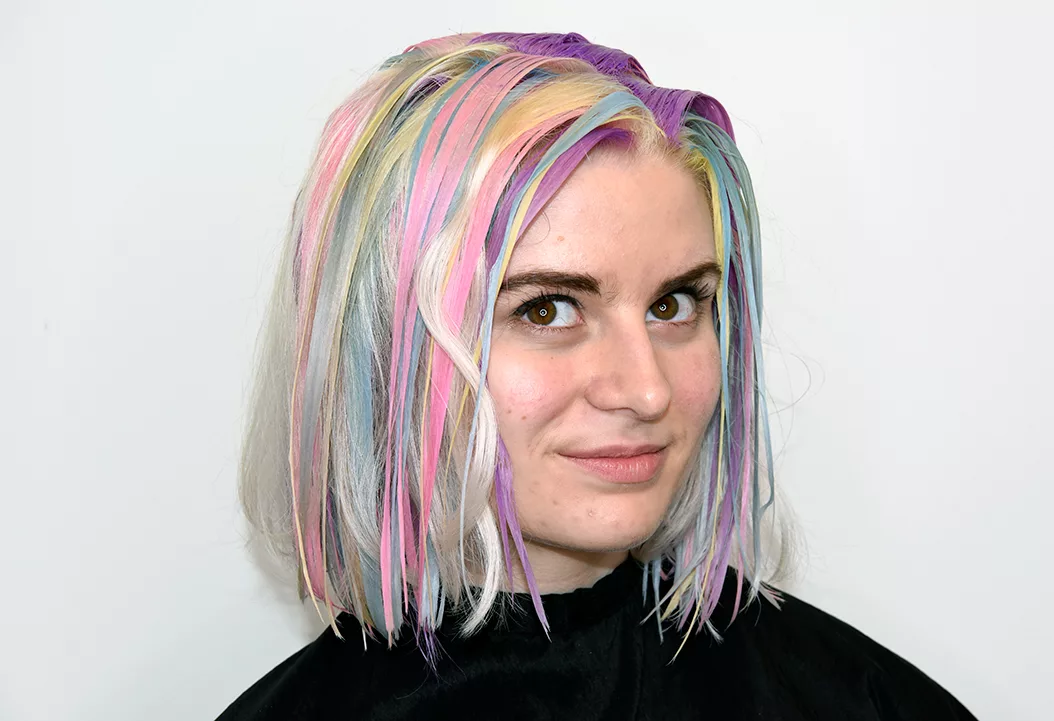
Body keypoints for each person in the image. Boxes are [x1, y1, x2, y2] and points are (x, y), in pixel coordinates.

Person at [219, 31, 976, 720]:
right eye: (547, 309)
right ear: (387, 343)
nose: (647, 391)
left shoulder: (864, 703)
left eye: (675, 304)